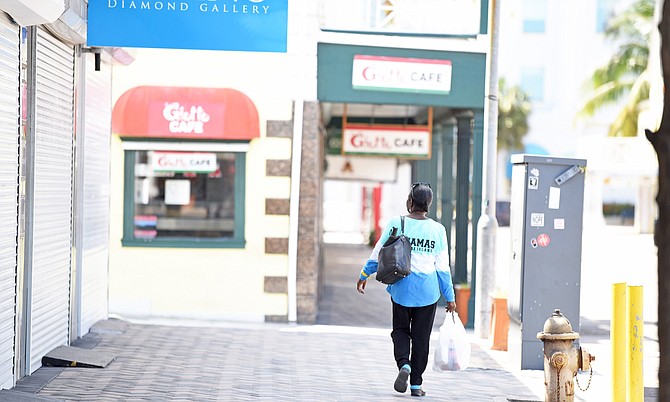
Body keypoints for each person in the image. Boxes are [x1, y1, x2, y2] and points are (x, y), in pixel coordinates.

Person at [356, 182, 456, 397]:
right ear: (428, 204)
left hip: (401, 287)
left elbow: (378, 253)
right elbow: (443, 267)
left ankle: (404, 364)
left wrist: (364, 275)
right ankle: (416, 385)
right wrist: (450, 297)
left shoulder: (397, 223)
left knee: (401, 330)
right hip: (427, 292)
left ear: (410, 202)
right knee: (421, 338)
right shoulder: (438, 230)